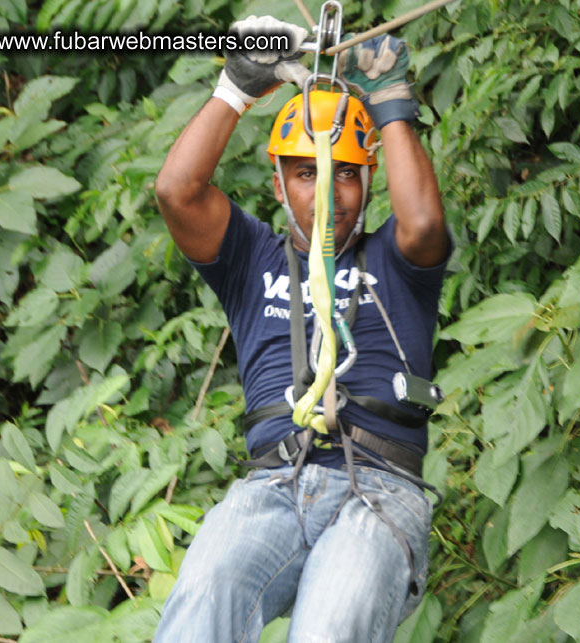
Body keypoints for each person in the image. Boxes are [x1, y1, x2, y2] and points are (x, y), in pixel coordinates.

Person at [152, 14, 450, 643]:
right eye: (307, 172)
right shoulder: (250, 258)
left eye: (345, 172)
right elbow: (178, 191)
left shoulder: (399, 262)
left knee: (330, 627)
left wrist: (392, 103)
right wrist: (236, 86)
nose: (327, 194)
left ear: (370, 179)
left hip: (377, 489)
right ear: (279, 182)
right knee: (204, 597)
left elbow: (423, 224)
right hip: (272, 485)